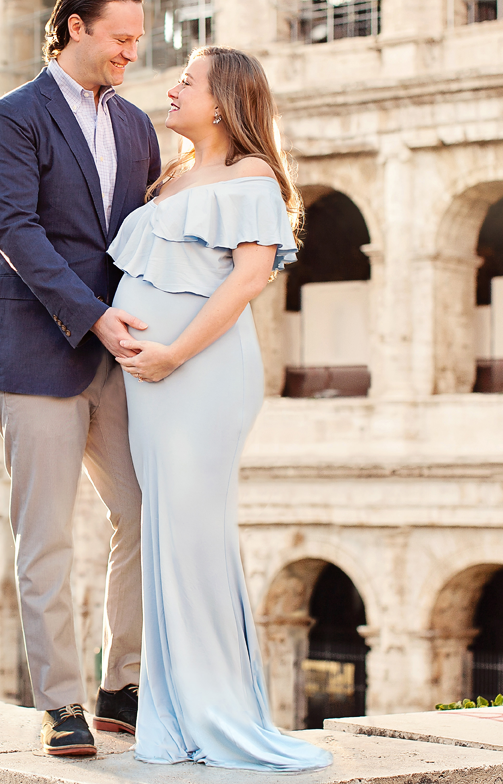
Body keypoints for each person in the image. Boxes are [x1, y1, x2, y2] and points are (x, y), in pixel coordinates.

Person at [106, 46, 333, 771]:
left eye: (187, 80)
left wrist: (173, 354)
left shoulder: (252, 174)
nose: (171, 88)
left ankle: (217, 712)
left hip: (201, 375)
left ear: (226, 98)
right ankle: (170, 713)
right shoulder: (170, 176)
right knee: (165, 535)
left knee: (195, 535)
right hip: (151, 381)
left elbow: (247, 281)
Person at [0, 0, 163, 757]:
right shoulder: (14, 119)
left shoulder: (140, 126)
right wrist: (94, 318)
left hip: (119, 356)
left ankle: (123, 685)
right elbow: (15, 231)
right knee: (45, 532)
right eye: (119, 37)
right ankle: (60, 701)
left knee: (147, 508)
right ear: (74, 27)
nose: (130, 51)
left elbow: (143, 231)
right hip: (38, 349)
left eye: (137, 40)